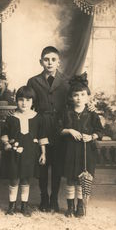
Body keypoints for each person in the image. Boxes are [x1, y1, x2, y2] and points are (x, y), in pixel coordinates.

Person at [27, 46, 70, 212]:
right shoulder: (33, 81)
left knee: (57, 165)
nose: (50, 62)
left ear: (59, 62)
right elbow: (30, 104)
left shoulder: (66, 81)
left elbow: (72, 103)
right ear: (40, 62)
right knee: (42, 163)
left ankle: (54, 199)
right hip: (41, 124)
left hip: (60, 127)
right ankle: (44, 197)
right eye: (46, 59)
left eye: (53, 59)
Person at [1, 86, 48, 217]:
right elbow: (4, 134)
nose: (24, 103)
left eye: (28, 100)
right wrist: (6, 143)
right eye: (21, 99)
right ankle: (11, 206)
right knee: (14, 179)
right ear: (16, 101)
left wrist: (43, 153)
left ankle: (24, 206)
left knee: (26, 179)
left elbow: (42, 137)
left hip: (30, 153)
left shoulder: (37, 118)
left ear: (33, 101)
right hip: (14, 154)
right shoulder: (11, 117)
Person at [61, 73, 103, 217]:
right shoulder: (67, 113)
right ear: (71, 97)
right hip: (70, 151)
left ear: (88, 97)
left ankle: (80, 206)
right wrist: (69, 130)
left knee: (82, 179)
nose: (79, 98)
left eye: (82, 95)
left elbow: (100, 131)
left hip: (86, 151)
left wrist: (91, 136)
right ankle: (70, 207)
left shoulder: (92, 114)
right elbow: (58, 129)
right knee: (71, 179)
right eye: (76, 95)